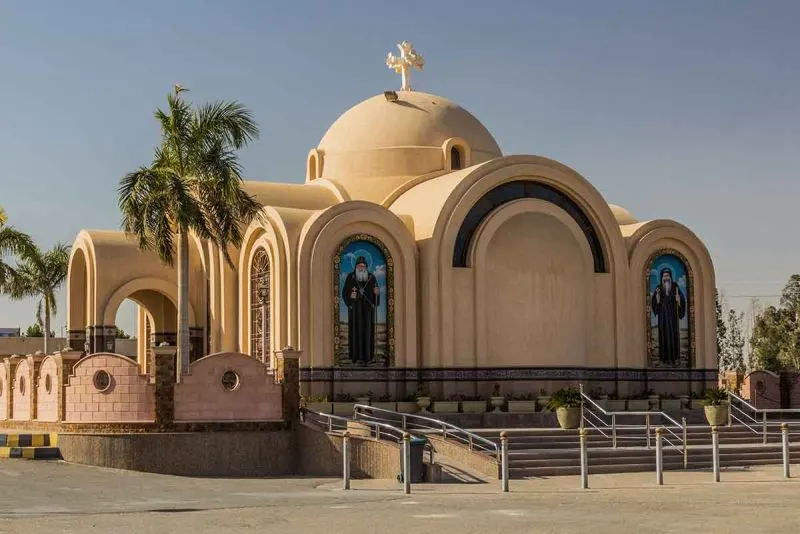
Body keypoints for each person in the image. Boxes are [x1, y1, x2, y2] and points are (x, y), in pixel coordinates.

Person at [342, 256, 381, 364]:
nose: (361, 268)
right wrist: (350, 298)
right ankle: (354, 356)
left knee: (368, 333)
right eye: (359, 266)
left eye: (363, 266)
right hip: (355, 311)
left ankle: (367, 357)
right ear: (355, 267)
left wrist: (376, 293)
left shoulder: (371, 278)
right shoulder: (351, 277)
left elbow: (376, 296)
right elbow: (345, 292)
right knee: (355, 332)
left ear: (366, 267)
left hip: (368, 311)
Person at [651, 267, 687, 364]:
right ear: (661, 277)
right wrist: (657, 300)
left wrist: (679, 301)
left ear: (671, 277)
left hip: (673, 318)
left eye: (667, 276)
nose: (666, 278)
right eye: (664, 276)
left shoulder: (675, 287)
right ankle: (664, 358)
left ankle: (675, 358)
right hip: (662, 318)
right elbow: (654, 304)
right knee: (663, 337)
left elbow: (682, 300)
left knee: (673, 336)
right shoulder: (658, 288)